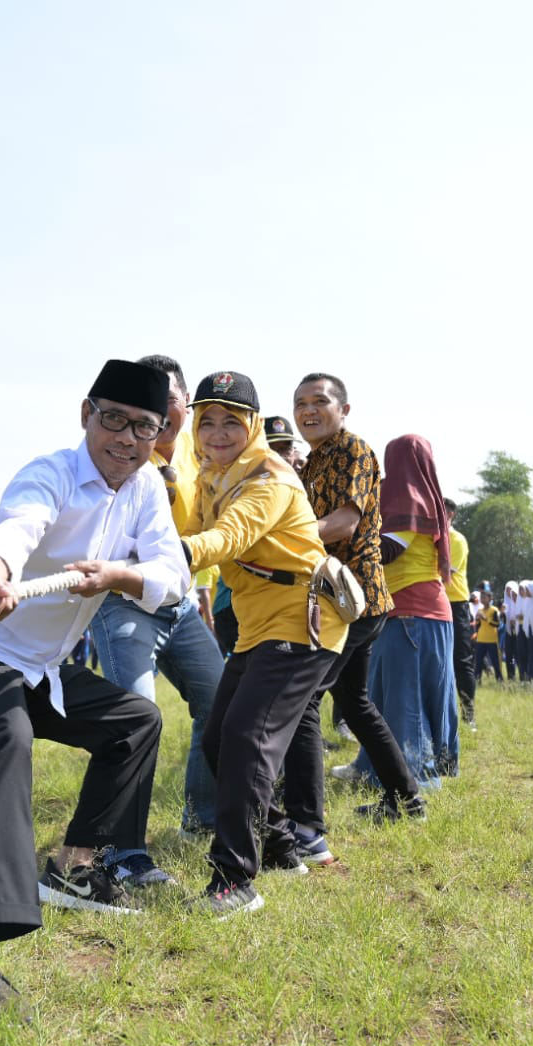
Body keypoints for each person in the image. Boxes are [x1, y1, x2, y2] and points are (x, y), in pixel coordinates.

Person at [0, 360, 186, 1025]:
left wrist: (117, 575)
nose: (125, 438)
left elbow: (173, 575)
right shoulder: (52, 472)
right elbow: (14, 528)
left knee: (135, 723)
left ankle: (73, 867)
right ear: (86, 413)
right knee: (8, 739)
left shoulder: (146, 490)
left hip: (41, 671)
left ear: (158, 434)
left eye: (143, 426)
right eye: (113, 419)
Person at [180, 370, 346, 917]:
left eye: (232, 421)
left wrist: (173, 556)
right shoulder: (211, 475)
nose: (219, 432)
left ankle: (234, 880)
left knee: (248, 738)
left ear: (252, 426)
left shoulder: (270, 476)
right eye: (208, 422)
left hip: (302, 621)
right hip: (256, 627)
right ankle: (280, 845)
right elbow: (183, 521)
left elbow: (229, 537)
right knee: (217, 740)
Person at [87, 355, 221, 878]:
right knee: (136, 722)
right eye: (136, 412)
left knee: (219, 702)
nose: (152, 420)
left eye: (165, 405)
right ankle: (120, 853)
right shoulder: (119, 453)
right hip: (120, 605)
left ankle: (202, 817)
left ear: (184, 405)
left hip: (179, 603)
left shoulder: (200, 453)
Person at [283, 372, 423, 868]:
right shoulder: (314, 460)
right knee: (356, 703)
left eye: (319, 401)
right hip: (340, 597)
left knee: (302, 701)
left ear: (344, 408)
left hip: (353, 598)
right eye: (300, 403)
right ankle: (407, 799)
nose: (308, 410)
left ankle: (306, 827)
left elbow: (343, 523)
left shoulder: (353, 450)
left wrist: (280, 544)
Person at [365, 434, 458, 784]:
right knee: (425, 692)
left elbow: (388, 551)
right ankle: (379, 765)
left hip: (409, 611)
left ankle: (414, 776)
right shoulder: (431, 497)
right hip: (427, 612)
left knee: (405, 698)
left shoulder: (405, 496)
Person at [443, 500, 476, 727]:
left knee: (461, 660)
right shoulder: (432, 538)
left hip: (456, 603)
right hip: (437, 603)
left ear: (451, 514)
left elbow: (444, 573)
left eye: (441, 510)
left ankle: (468, 714)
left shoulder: (456, 540)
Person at [474, 593, 503, 682]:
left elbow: (497, 624)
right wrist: (477, 619)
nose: (483, 600)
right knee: (478, 661)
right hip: (481, 639)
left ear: (490, 598)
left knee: (495, 661)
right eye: (481, 598)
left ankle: (499, 679)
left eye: (484, 598)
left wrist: (486, 618)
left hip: (491, 639)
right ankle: (477, 679)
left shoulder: (494, 610)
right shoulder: (480, 610)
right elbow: (478, 625)